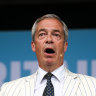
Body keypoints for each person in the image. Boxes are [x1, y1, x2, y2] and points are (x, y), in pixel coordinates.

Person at [0, 14, 96, 96]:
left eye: (56, 35)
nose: (49, 39)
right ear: (33, 45)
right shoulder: (8, 90)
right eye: (42, 34)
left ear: (64, 46)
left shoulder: (92, 86)